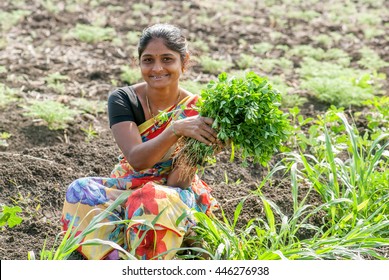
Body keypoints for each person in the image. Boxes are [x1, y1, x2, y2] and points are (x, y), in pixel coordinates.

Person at [61, 23, 219, 260]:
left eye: (167, 59)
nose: (157, 68)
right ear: (139, 62)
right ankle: (114, 260)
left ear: (183, 62)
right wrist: (175, 130)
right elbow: (136, 160)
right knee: (80, 190)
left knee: (150, 198)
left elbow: (179, 182)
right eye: (148, 60)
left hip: (171, 193)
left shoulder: (197, 110)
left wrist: (202, 147)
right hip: (127, 183)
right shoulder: (123, 99)